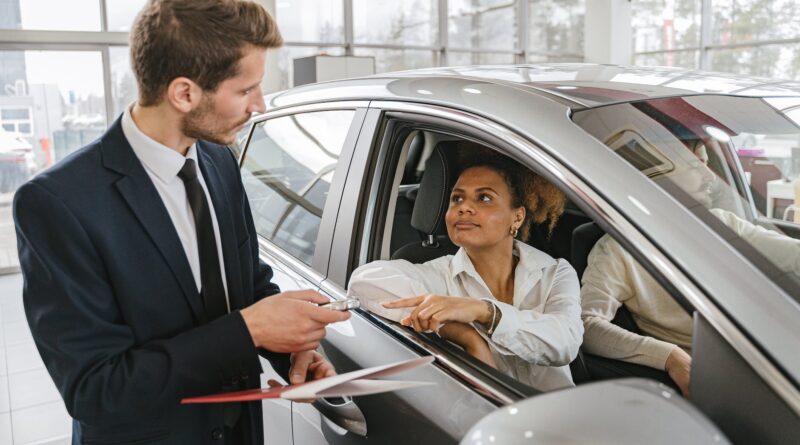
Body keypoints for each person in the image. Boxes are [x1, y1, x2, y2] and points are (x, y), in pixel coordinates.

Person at [13, 1, 350, 443]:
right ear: (185, 93)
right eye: (246, 89)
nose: (260, 105)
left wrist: (291, 353)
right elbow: (95, 390)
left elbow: (248, 287)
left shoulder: (219, 160)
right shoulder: (58, 204)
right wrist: (249, 330)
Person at [348, 145, 583, 391]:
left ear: (517, 217)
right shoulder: (437, 276)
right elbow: (363, 282)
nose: (464, 207)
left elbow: (565, 343)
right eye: (457, 198)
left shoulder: (555, 272)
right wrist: (465, 335)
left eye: (484, 197)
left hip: (561, 416)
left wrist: (485, 312)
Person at [581, 144, 800, 397]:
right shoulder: (616, 250)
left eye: (706, 163)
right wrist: (669, 356)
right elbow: (587, 326)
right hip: (732, 378)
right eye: (696, 165)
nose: (710, 177)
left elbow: (793, 255)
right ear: (658, 173)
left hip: (778, 352)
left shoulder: (723, 223)